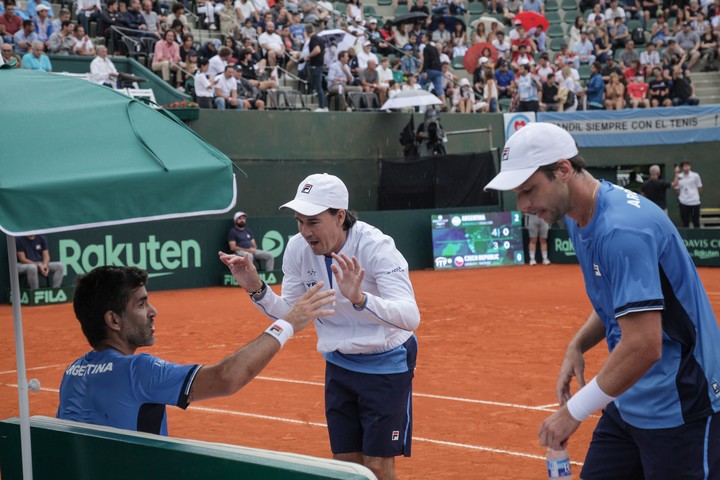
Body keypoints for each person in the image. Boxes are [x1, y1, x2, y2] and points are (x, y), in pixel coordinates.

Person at [485, 122, 720, 479]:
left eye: (529, 190)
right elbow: (614, 302)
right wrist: (577, 344)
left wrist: (573, 411)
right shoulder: (581, 220)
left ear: (563, 170)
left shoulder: (621, 229)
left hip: (681, 408)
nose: (523, 206)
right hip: (628, 401)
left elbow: (644, 345)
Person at [220, 173, 420, 480]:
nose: (304, 231)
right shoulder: (298, 248)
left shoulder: (377, 247)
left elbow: (410, 317)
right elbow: (291, 314)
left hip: (386, 366)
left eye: (312, 222)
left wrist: (361, 298)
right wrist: (256, 287)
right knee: (345, 466)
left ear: (339, 216)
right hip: (339, 365)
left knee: (378, 468)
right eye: (299, 221)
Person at [56, 265, 335, 435]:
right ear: (113, 320)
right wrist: (286, 325)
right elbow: (225, 378)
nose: (153, 311)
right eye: (141, 304)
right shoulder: (137, 370)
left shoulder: (72, 373)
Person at [672, 160, 702, 228]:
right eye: (685, 166)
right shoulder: (679, 177)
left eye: (688, 165)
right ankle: (686, 238)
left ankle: (698, 238)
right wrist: (683, 195)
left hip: (695, 202)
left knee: (696, 222)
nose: (687, 167)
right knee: (685, 222)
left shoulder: (695, 175)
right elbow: (676, 188)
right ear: (682, 167)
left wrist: (694, 195)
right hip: (683, 203)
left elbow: (699, 187)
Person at [304, 23, 327, 112]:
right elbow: (323, 50)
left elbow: (317, 50)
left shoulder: (313, 39)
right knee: (319, 86)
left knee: (318, 86)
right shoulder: (320, 38)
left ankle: (322, 106)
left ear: (306, 31)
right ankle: (324, 105)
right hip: (320, 64)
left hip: (315, 65)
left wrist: (309, 56)